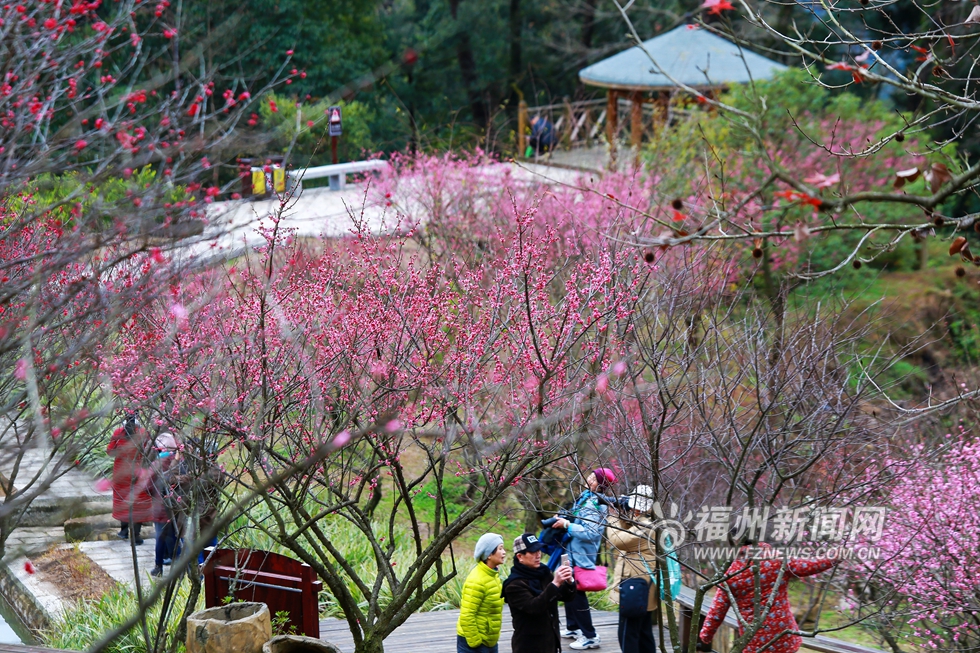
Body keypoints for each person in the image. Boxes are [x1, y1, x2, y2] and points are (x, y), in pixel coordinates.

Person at [698, 542, 840, 653]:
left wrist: (705, 636)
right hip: (784, 636)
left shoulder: (730, 574)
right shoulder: (777, 559)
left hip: (754, 640)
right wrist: (834, 556)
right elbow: (808, 566)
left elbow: (717, 611)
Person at [552, 467, 617, 650]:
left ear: (599, 484)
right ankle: (573, 627)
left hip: (580, 554)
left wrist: (567, 525)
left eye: (593, 477)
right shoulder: (586, 498)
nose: (588, 478)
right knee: (567, 587)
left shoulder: (593, 504)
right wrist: (565, 519)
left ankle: (590, 636)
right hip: (572, 551)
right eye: (590, 475)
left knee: (577, 593)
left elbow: (591, 533)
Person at [503, 533, 576, 653]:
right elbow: (534, 607)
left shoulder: (543, 572)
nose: (538, 555)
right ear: (520, 556)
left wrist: (569, 581)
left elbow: (566, 597)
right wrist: (555, 584)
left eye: (539, 550)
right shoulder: (513, 585)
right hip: (529, 646)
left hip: (551, 642)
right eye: (533, 552)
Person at [607, 485, 658, 653]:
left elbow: (617, 539)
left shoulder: (644, 528)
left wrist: (613, 515)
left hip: (635, 589)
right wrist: (622, 512)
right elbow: (626, 530)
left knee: (627, 634)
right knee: (644, 635)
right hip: (643, 588)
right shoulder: (645, 523)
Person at [106, 411, 152, 544]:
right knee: (138, 504)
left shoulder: (118, 433)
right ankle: (136, 536)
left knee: (122, 500)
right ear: (138, 417)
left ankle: (124, 531)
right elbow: (149, 452)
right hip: (137, 473)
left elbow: (109, 452)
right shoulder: (144, 433)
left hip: (121, 474)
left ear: (125, 417)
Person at [456, 533, 507, 653]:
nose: (504, 552)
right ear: (489, 554)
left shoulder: (493, 574)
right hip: (475, 643)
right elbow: (467, 615)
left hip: (489, 640)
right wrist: (475, 643)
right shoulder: (477, 580)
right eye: (500, 548)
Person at [148, 432, 181, 577]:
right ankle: (178, 568)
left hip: (160, 508)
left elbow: (146, 486)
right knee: (176, 537)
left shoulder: (156, 465)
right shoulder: (181, 462)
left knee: (160, 537)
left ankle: (158, 566)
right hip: (177, 507)